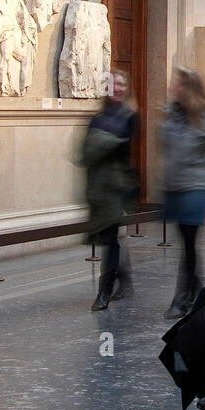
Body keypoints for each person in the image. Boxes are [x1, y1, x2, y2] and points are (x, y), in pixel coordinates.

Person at [163, 68, 205, 319]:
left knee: (189, 242)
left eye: (177, 84)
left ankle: (181, 297)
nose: (172, 88)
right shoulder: (171, 117)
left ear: (188, 88)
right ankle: (199, 289)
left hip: (195, 188)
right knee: (187, 242)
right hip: (175, 187)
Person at [81, 70, 139, 312]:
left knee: (111, 237)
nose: (117, 88)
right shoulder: (96, 118)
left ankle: (104, 290)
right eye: (113, 83)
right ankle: (124, 278)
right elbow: (85, 153)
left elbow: (123, 149)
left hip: (117, 185)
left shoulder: (129, 117)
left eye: (121, 84)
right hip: (99, 186)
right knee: (109, 236)